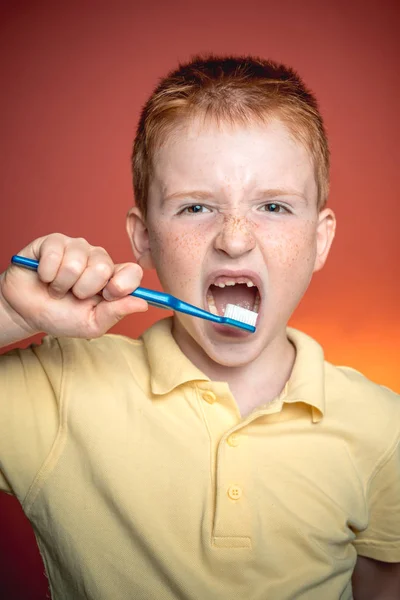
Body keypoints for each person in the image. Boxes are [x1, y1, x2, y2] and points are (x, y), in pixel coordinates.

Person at [0, 55, 399, 600]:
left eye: (274, 206)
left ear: (320, 239)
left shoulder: (384, 428)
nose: (234, 240)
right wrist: (11, 315)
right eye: (195, 209)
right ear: (143, 238)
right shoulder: (59, 388)